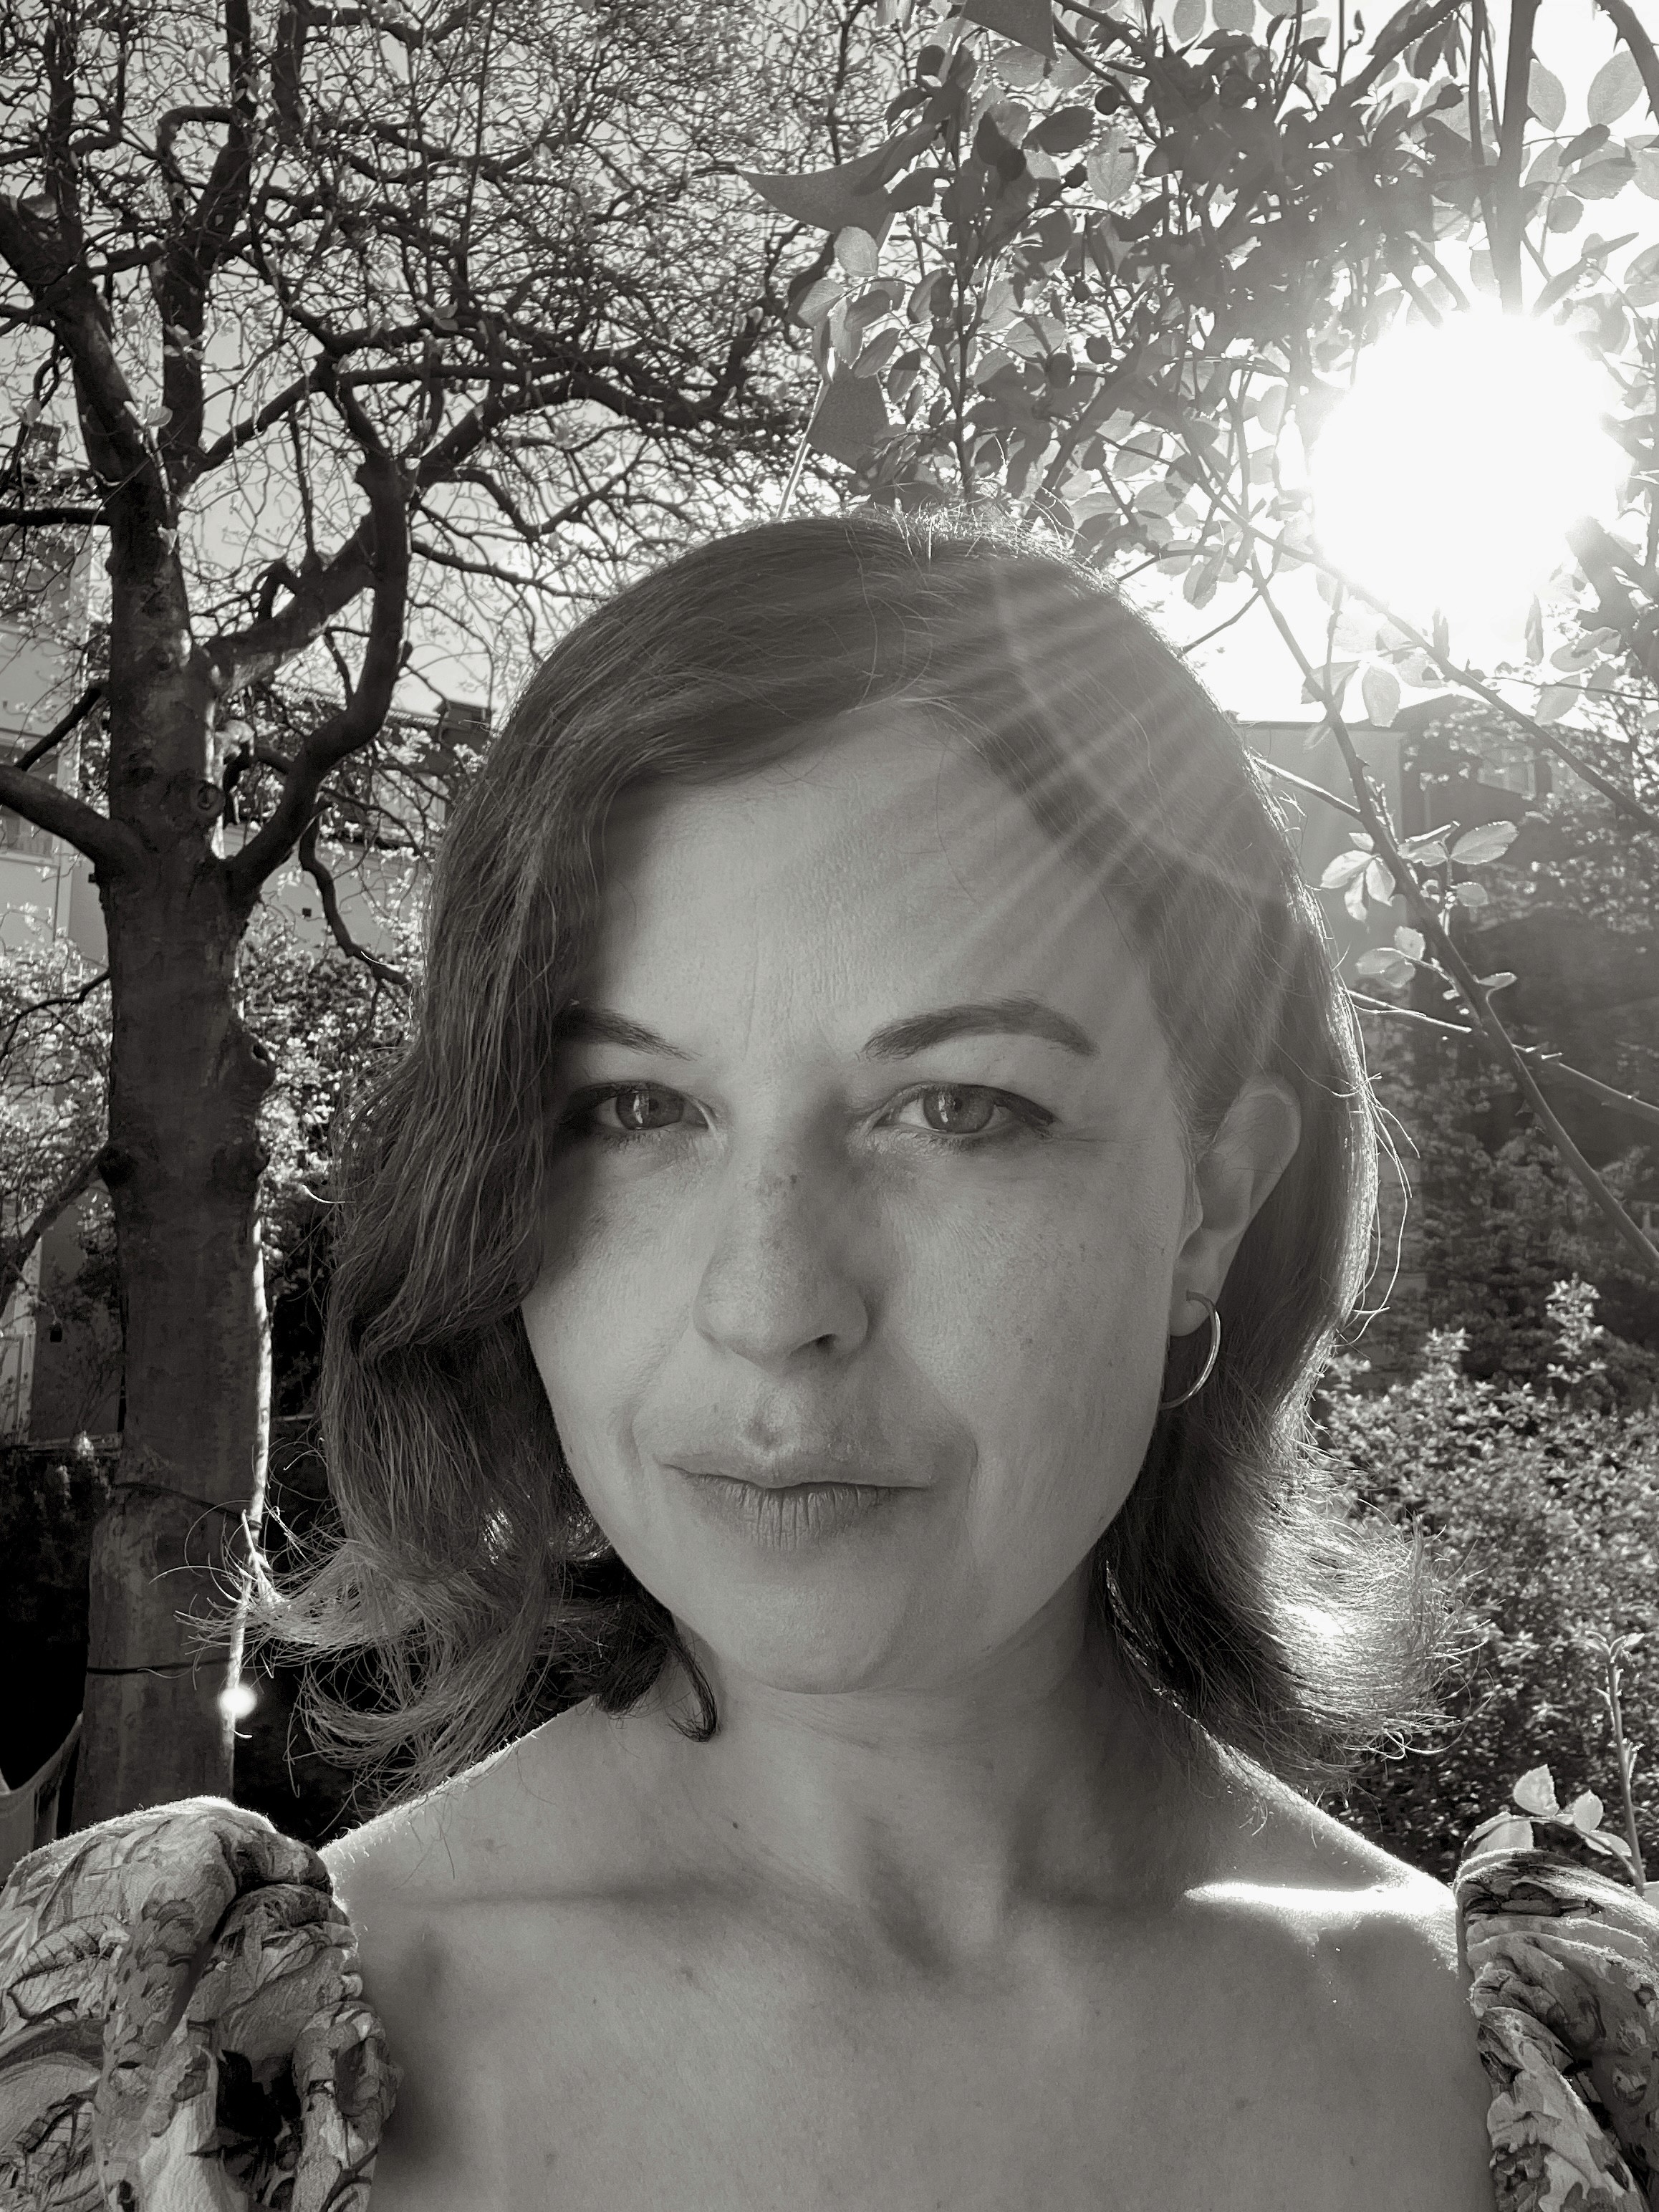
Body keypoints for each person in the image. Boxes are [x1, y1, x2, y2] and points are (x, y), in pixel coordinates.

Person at [2, 507, 1655, 2212]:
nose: (772, 1298)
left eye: (962, 1108)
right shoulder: (136, 2078)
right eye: (632, 1108)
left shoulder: (1567, 2081)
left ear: (1210, 1206)